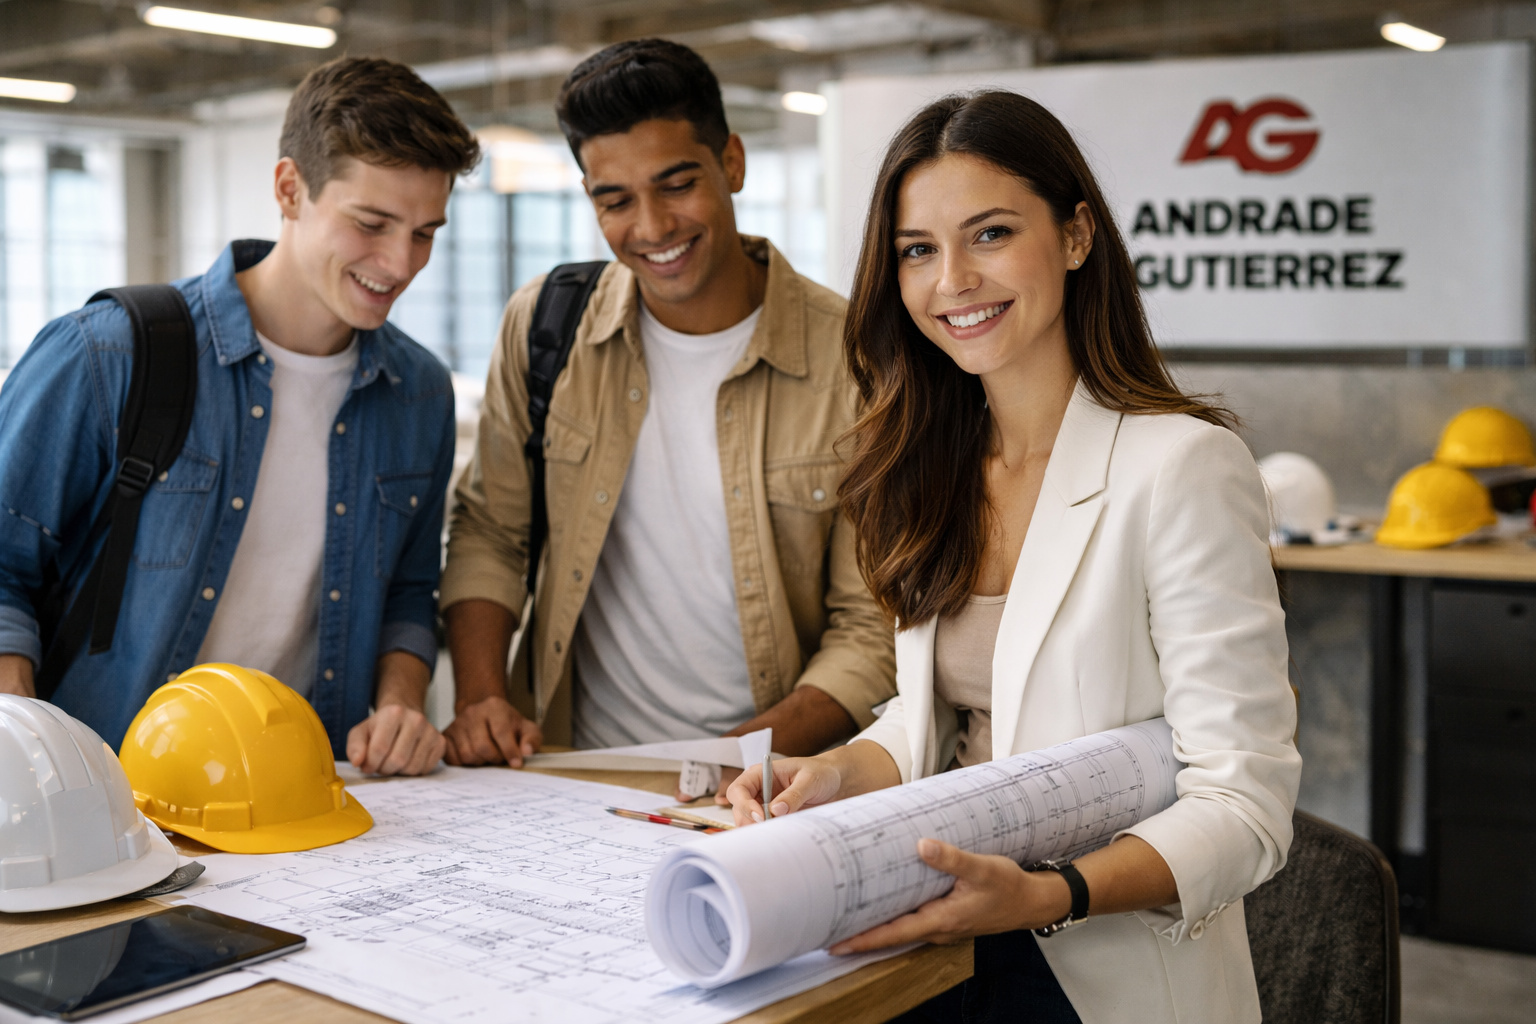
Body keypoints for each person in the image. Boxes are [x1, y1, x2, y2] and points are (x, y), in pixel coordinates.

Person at [727, 91, 1301, 1024]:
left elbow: (1246, 805)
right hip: (932, 944)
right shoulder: (929, 466)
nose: (952, 279)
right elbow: (935, 719)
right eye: (918, 249)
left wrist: (1046, 893)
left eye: (989, 233)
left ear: (1076, 238)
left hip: (1096, 963)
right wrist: (833, 772)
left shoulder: (1181, 466)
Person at [441, 39, 895, 796]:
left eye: (677, 184)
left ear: (734, 165)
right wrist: (481, 695)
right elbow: (491, 530)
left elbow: (870, 628)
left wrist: (728, 762)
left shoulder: (857, 361)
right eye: (614, 200)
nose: (650, 226)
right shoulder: (547, 325)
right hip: (565, 771)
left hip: (761, 785)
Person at [0, 57, 478, 777]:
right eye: (372, 223)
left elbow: (410, 591)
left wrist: (403, 701)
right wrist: (29, 756)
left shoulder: (418, 392)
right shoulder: (109, 353)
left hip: (306, 799)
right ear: (290, 189)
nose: (402, 261)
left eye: (425, 232)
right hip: (108, 800)